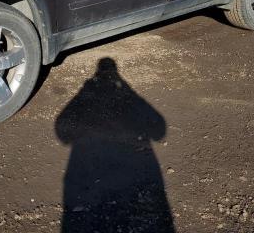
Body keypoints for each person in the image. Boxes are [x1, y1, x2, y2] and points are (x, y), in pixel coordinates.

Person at [55, 57, 174, 232]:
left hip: (85, 175)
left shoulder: (88, 90)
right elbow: (159, 130)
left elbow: (62, 133)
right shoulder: (122, 93)